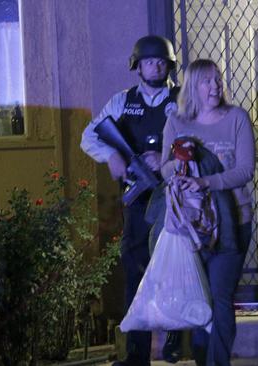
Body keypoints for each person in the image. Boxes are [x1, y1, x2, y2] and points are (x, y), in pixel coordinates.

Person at [80, 35, 182, 366]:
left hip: (174, 198)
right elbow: (89, 136)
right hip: (138, 202)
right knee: (135, 273)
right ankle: (137, 355)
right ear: (137, 65)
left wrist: (164, 157)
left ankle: (174, 344)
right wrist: (111, 153)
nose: (155, 66)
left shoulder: (182, 100)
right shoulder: (122, 101)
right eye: (149, 61)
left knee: (176, 270)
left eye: (161, 61)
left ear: (169, 65)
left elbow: (199, 140)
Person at [160, 59, 255, 366]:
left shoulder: (237, 118)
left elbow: (244, 171)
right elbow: (164, 169)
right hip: (192, 226)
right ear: (192, 87)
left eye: (218, 80)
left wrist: (205, 181)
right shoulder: (176, 122)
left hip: (233, 221)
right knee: (199, 300)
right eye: (207, 81)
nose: (215, 86)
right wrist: (182, 162)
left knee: (221, 298)